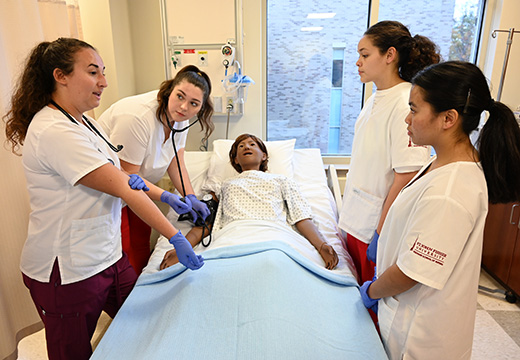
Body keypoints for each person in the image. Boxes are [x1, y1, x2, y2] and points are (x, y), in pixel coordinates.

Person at [3, 38, 203, 360]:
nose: (104, 82)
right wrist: (175, 235)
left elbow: (123, 177)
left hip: (106, 253)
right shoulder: (55, 131)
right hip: (69, 268)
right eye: (94, 72)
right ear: (61, 75)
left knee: (140, 317)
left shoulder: (87, 123)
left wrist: (165, 193)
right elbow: (124, 188)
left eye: (103, 72)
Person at [360, 61, 520, 359]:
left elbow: (411, 274)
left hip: (420, 336)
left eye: (414, 109)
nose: (407, 119)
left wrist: (371, 291)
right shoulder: (441, 165)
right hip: (416, 319)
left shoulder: (450, 191)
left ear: (448, 118)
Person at [338, 20, 441, 285]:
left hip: (374, 227)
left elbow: (405, 176)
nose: (358, 63)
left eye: (364, 55)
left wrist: (381, 233)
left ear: (390, 55)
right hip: (356, 220)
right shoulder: (376, 98)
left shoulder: (406, 102)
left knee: (373, 307)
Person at [158, 134, 339, 270]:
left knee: (275, 265)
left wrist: (322, 245)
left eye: (253, 144)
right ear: (236, 159)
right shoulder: (223, 186)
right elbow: (205, 224)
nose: (247, 147)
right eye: (241, 146)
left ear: (264, 156)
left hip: (273, 237)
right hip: (233, 238)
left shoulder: (281, 181)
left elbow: (301, 218)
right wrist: (182, 248)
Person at [98, 65, 214, 274]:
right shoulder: (136, 118)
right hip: (110, 194)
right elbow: (126, 178)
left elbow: (175, 161)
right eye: (180, 96)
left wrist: (190, 196)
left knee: (141, 248)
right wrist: (166, 197)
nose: (184, 107)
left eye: (193, 104)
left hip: (139, 192)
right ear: (170, 90)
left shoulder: (180, 119)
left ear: (200, 109)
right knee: (121, 256)